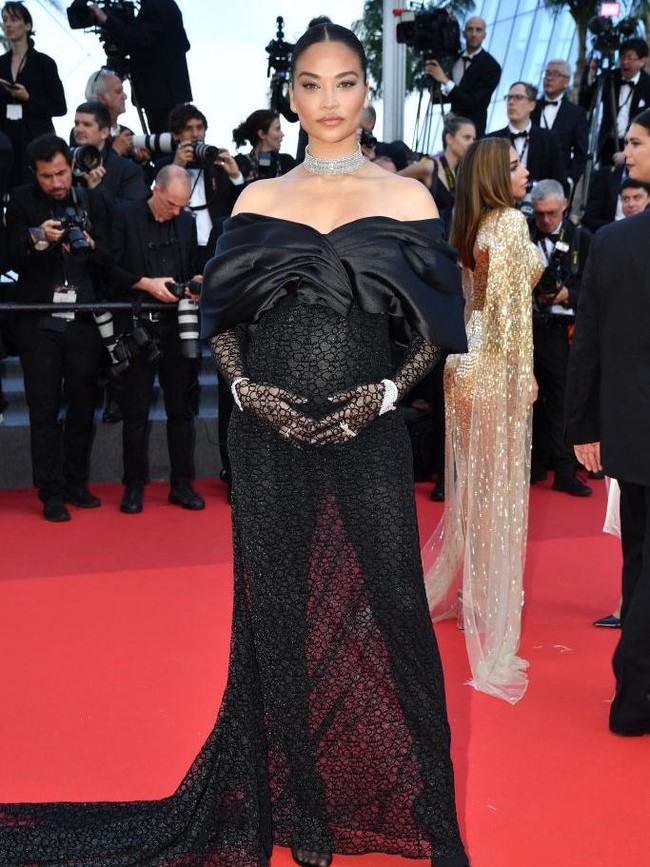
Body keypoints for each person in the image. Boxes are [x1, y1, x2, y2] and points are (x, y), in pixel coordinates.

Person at [0, 24, 469, 867]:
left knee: (401, 608)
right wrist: (249, 391)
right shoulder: (258, 200)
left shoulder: (406, 198)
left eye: (346, 82)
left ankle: (436, 819)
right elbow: (221, 318)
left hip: (368, 429)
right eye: (312, 84)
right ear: (292, 95)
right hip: (268, 433)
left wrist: (384, 395)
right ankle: (307, 812)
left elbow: (435, 330)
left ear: (367, 92)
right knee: (276, 620)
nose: (329, 101)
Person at [423, 137, 543, 705]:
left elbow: (476, 305)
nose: (526, 172)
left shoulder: (472, 226)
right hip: (495, 367)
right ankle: (490, 616)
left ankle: (471, 594)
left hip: (463, 366)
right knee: (501, 497)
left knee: (471, 492)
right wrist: (525, 375)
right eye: (516, 166)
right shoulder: (511, 225)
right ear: (496, 176)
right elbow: (513, 321)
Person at [565, 109, 650, 736]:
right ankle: (635, 696)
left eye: (637, 142)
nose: (626, 152)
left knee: (639, 558)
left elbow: (586, 342)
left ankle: (633, 692)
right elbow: (589, 337)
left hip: (629, 427)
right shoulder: (613, 239)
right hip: (627, 427)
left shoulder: (612, 241)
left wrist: (583, 424)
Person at [5, 134, 109, 522]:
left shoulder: (90, 198)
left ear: (71, 165)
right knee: (44, 408)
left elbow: (110, 257)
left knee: (83, 404)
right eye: (47, 176)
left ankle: (75, 483)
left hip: (83, 318)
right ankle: (50, 492)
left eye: (62, 173)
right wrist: (37, 237)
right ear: (34, 174)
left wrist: (92, 245)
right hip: (38, 320)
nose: (57, 182)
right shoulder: (21, 201)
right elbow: (7, 255)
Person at [109, 164, 205, 515]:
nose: (176, 212)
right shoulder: (124, 215)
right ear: (156, 190)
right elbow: (108, 268)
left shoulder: (186, 222)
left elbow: (193, 267)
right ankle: (133, 485)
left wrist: (197, 282)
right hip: (139, 327)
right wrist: (144, 283)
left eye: (182, 205)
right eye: (171, 204)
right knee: (135, 411)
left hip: (178, 326)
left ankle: (182, 484)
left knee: (181, 410)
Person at [528, 179, 592, 497]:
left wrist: (569, 295)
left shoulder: (582, 238)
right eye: (539, 214)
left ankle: (565, 470)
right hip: (526, 328)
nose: (545, 220)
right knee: (529, 402)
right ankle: (534, 464)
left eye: (552, 213)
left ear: (565, 206)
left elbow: (594, 286)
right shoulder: (522, 233)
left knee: (560, 401)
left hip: (562, 329)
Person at [89, 0, 192, 133]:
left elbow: (141, 39)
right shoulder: (163, 5)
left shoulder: (156, 5)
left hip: (162, 96)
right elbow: (183, 44)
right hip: (167, 94)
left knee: (166, 140)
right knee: (168, 138)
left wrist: (107, 20)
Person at [0, 2, 66, 186]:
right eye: (5, 19)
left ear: (27, 25)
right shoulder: (1, 63)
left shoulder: (44, 63)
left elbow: (60, 107)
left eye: (14, 19)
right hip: (6, 139)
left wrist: (28, 98)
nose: (8, 24)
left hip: (36, 138)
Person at [424, 16, 501, 138]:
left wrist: (444, 79)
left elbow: (472, 102)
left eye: (478, 30)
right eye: (470, 29)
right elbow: (454, 94)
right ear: (464, 33)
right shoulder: (455, 59)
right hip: (451, 131)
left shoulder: (491, 66)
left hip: (473, 134)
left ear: (484, 35)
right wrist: (435, 91)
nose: (474, 34)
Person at [579, 38, 650, 167]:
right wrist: (591, 73)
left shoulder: (648, 85)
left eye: (630, 58)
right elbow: (586, 102)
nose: (625, 62)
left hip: (636, 148)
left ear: (642, 61)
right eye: (622, 57)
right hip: (607, 144)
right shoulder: (610, 78)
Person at [400, 115, 476, 235]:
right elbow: (394, 179)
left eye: (473, 138)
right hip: (429, 240)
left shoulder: (460, 172)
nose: (472, 143)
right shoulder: (429, 167)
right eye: (467, 137)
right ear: (449, 138)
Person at [488, 82, 568, 195]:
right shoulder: (491, 140)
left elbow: (559, 180)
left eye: (518, 97)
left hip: (538, 202)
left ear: (532, 105)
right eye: (509, 98)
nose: (511, 102)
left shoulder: (549, 139)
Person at [72, 101, 149, 207]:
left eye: (87, 125)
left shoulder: (127, 170)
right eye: (76, 124)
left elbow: (133, 211)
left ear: (104, 132)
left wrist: (98, 188)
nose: (78, 129)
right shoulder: (66, 163)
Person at [531, 59, 588, 187]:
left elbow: (581, 154)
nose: (549, 78)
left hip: (558, 182)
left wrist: (569, 180)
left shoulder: (577, 113)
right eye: (547, 73)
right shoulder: (531, 107)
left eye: (555, 74)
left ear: (566, 82)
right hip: (528, 177)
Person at [233, 108, 296, 182]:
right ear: (262, 134)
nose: (282, 134)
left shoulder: (287, 161)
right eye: (277, 129)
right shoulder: (239, 164)